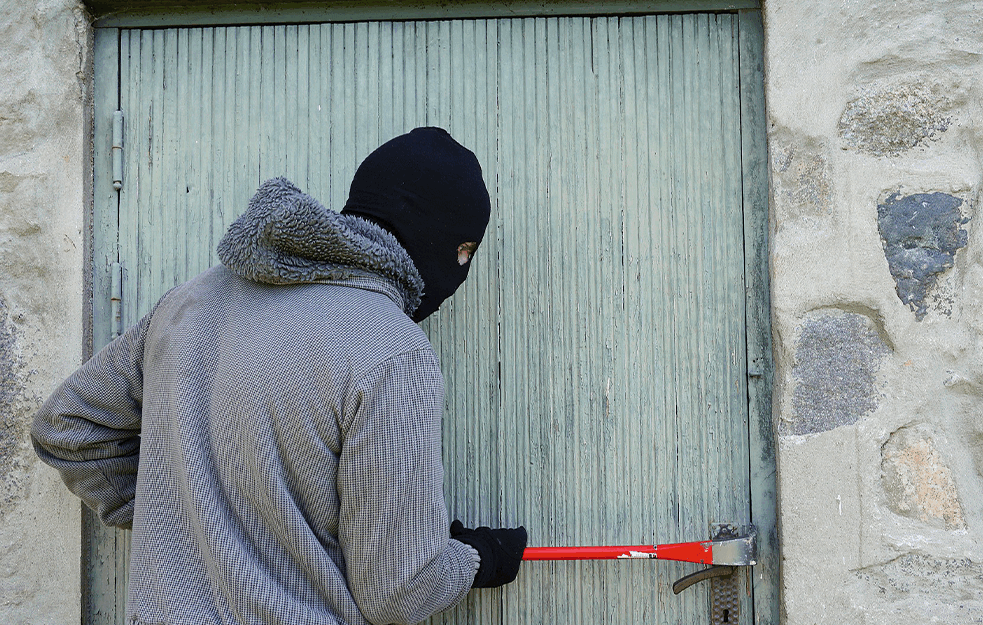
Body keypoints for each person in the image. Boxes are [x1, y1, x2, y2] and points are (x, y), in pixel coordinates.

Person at [31, 127, 527, 625]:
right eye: (464, 249)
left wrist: (189, 512)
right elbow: (398, 591)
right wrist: (478, 557)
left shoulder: (188, 304)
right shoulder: (391, 349)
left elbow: (68, 428)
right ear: (432, 232)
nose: (461, 267)